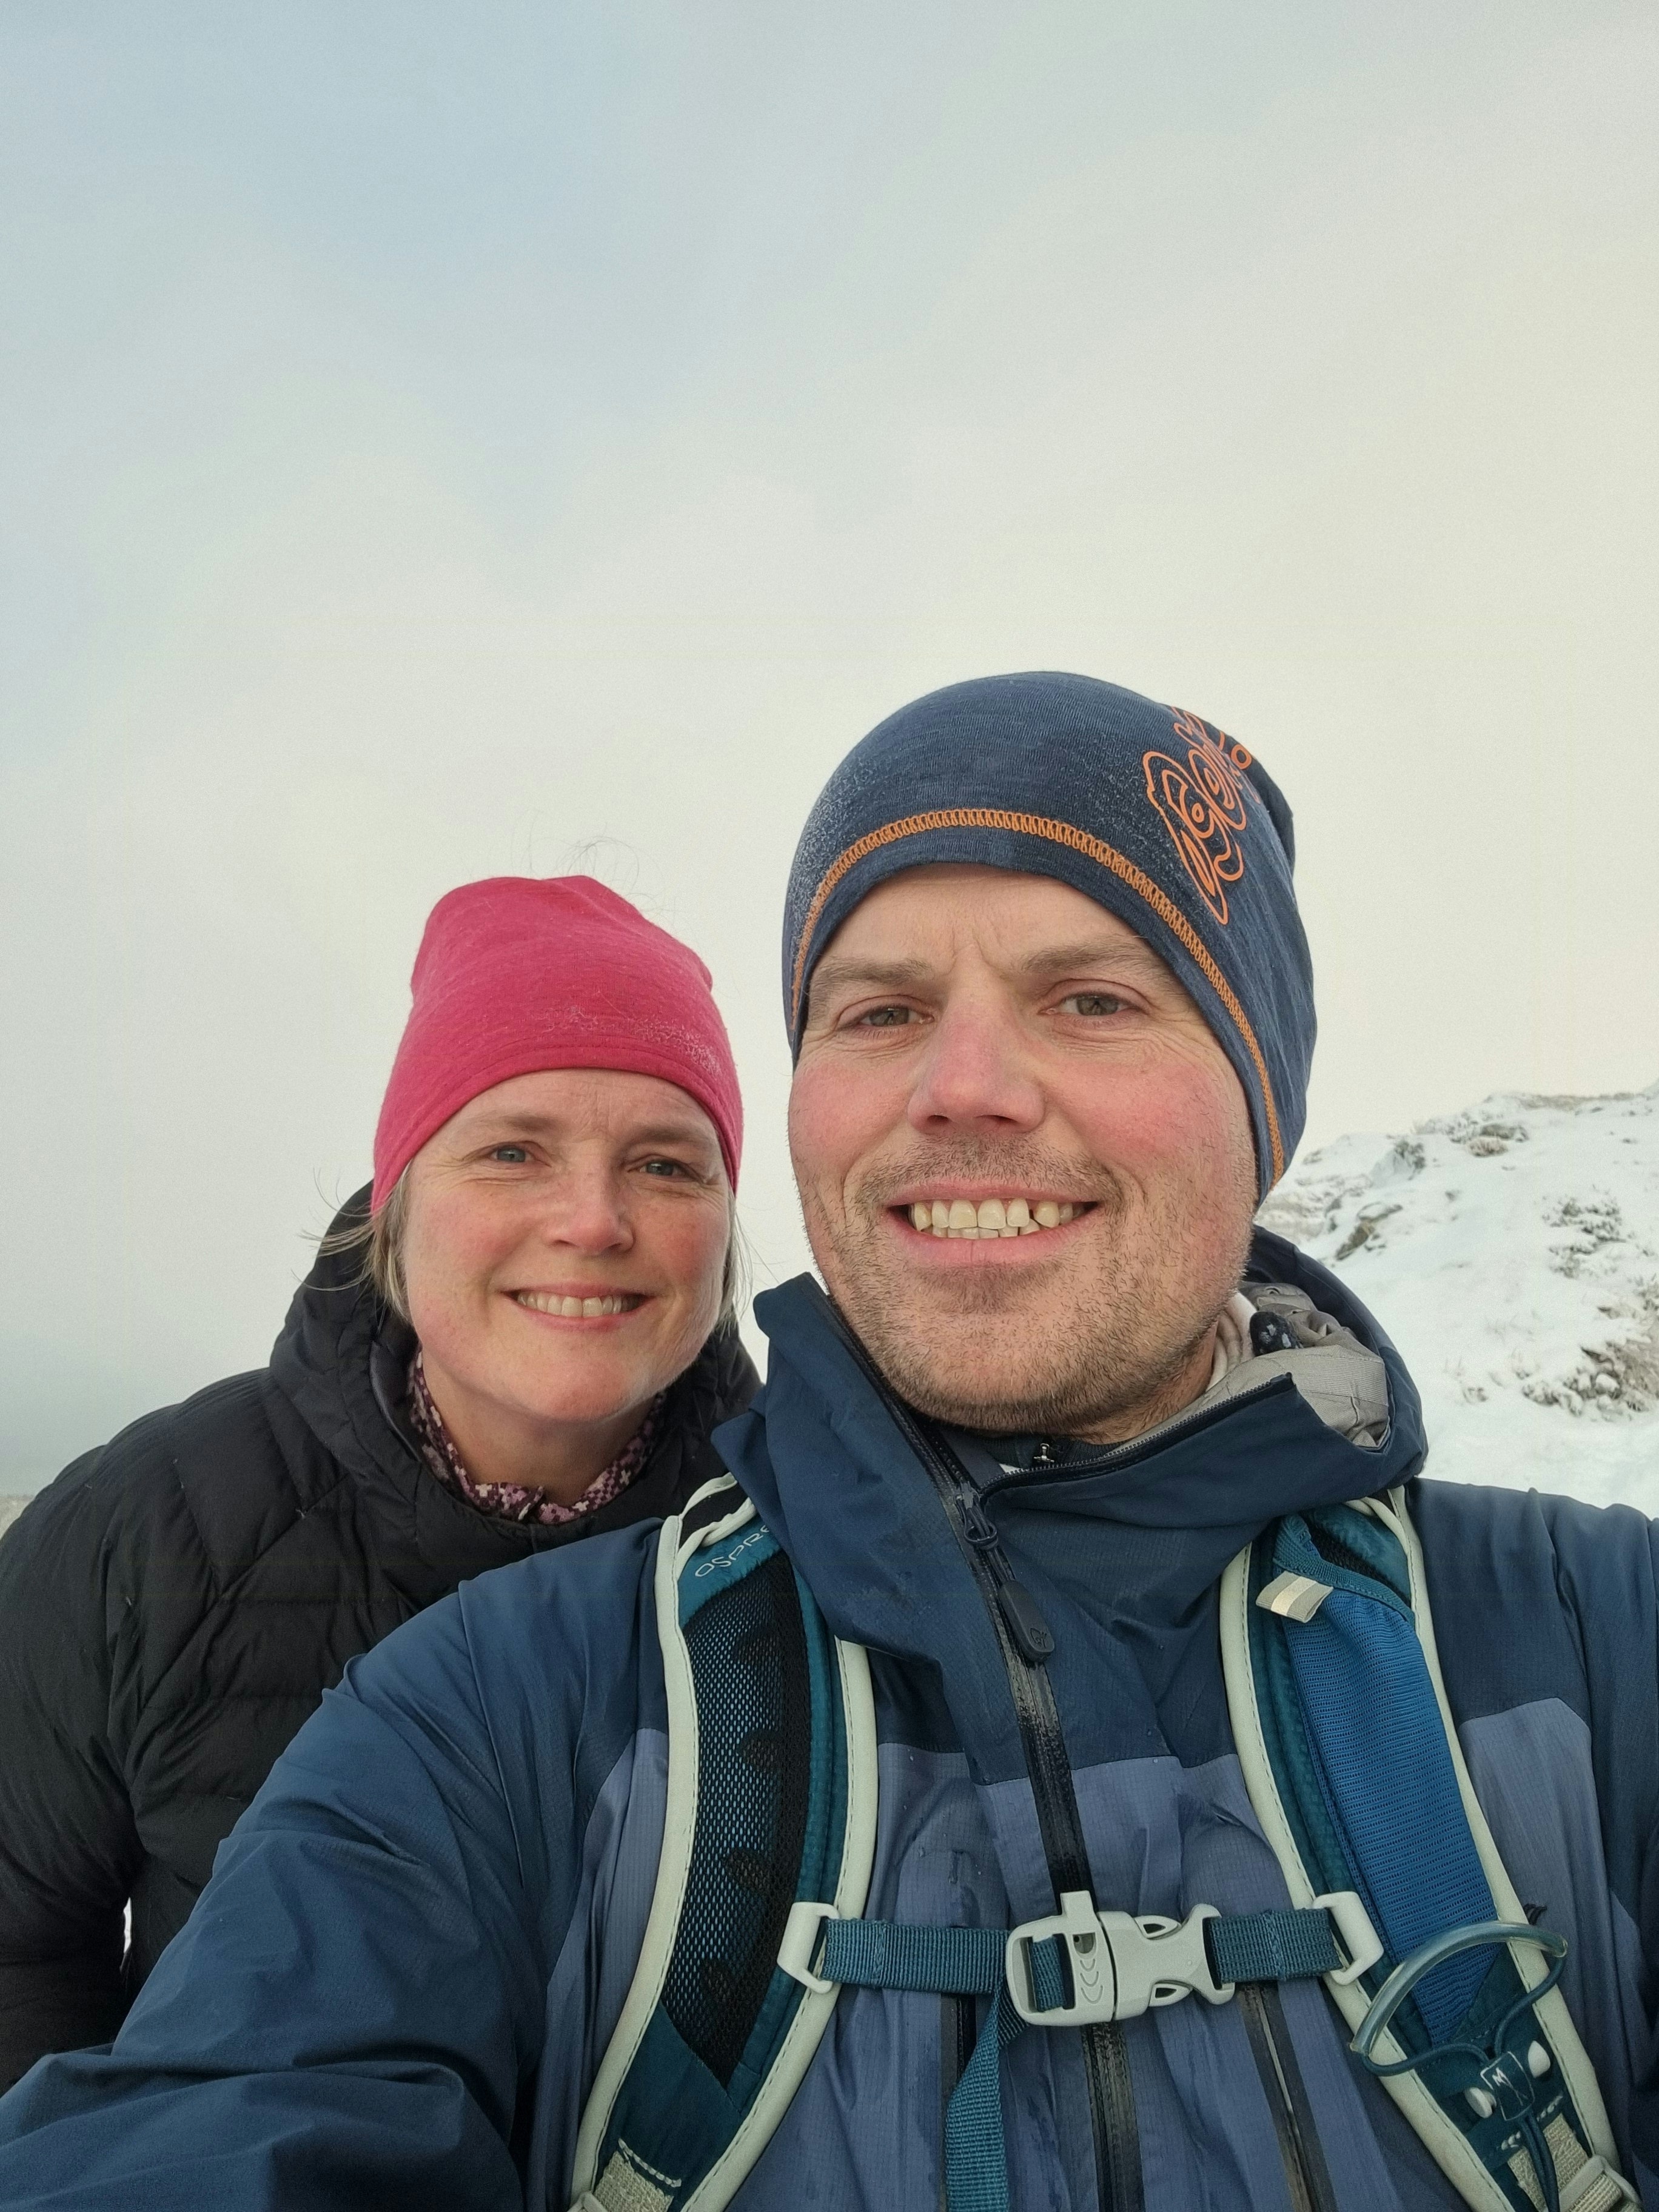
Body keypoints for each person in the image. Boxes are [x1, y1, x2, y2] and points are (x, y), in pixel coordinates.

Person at [0, 674, 1654, 2212]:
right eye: (879, 1011)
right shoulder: (484, 1703)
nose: (963, 1085)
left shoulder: (1599, 1639)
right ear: (397, 1202)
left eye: (1091, 996)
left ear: (1263, 1101)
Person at [0, 873, 755, 2093]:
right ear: (397, 1207)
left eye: (666, 1165)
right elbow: (19, 1948)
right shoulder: (146, 1528)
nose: (594, 1220)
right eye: (511, 1151)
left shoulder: (814, 1544)